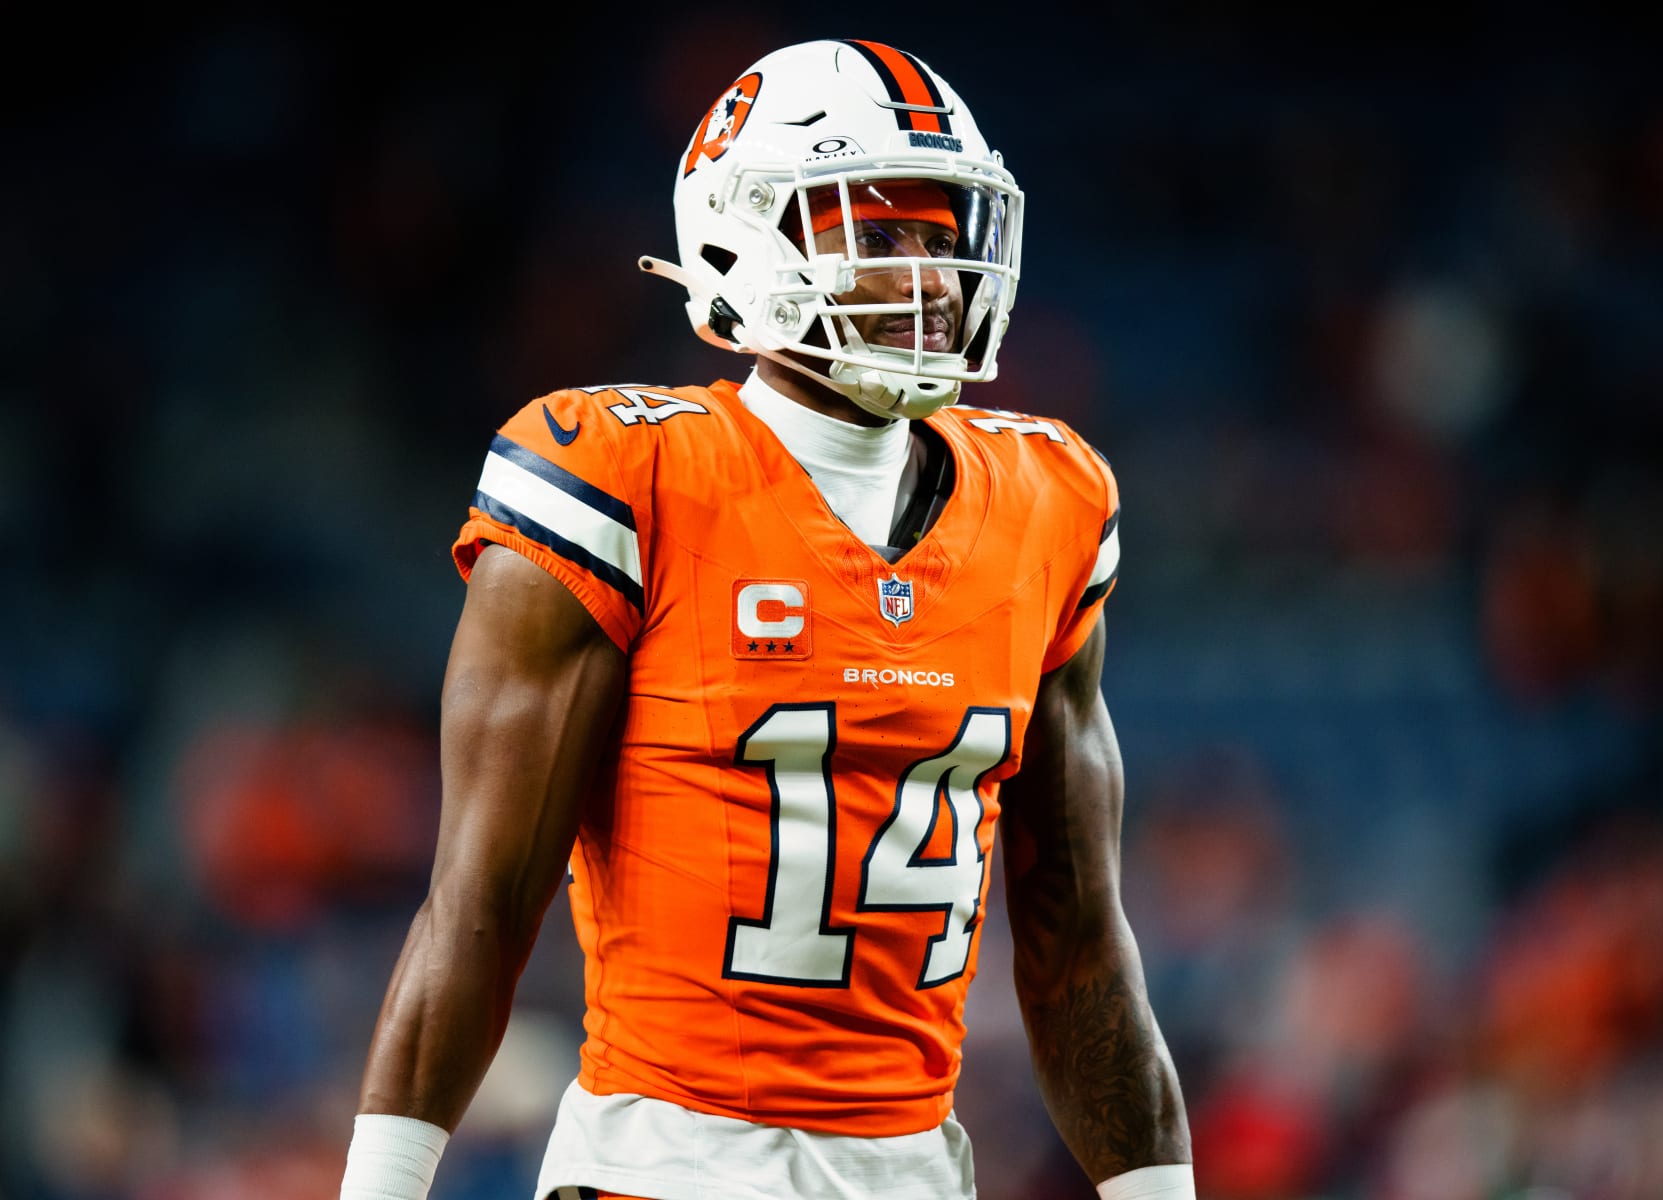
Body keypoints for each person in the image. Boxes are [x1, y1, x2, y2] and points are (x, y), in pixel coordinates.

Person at [340, 39, 1193, 1200]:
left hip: (916, 1173)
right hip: (663, 1169)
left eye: (942, 239)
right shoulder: (624, 473)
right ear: (745, 237)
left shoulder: (1049, 500)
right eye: (879, 233)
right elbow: (479, 903)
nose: (930, 276)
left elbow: (1082, 944)